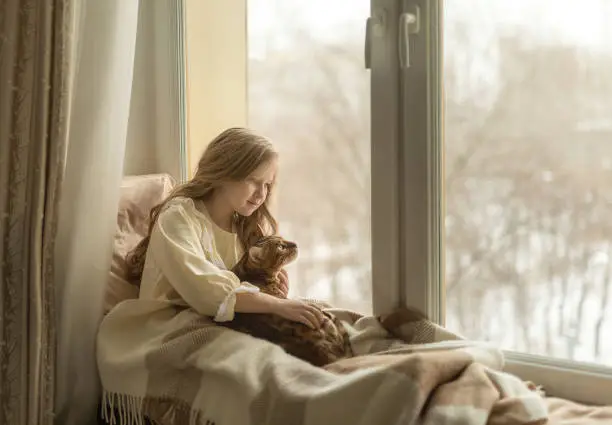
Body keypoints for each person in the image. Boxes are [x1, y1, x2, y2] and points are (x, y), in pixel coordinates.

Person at [126, 127, 325, 329]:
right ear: (223, 173)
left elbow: (243, 297)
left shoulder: (245, 227)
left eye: (267, 185)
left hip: (226, 326)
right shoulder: (179, 216)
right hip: (167, 329)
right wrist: (276, 305)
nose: (261, 194)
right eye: (254, 181)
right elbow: (203, 289)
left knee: (326, 315)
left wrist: (273, 288)